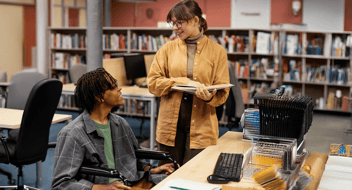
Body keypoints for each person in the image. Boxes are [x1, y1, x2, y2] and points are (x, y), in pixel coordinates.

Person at [52, 68, 175, 190]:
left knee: (177, 180)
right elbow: (61, 184)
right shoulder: (73, 133)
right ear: (99, 97)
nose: (119, 88)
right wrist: (101, 188)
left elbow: (133, 158)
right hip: (107, 187)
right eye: (113, 87)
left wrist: (152, 170)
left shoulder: (120, 123)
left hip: (131, 181)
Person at [147, 0, 230, 166]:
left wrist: (208, 98)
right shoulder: (166, 49)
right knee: (167, 174)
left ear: (195, 20)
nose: (175, 27)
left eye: (179, 23)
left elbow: (223, 92)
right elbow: (153, 83)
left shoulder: (218, 51)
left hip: (202, 126)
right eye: (172, 23)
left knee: (195, 176)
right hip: (170, 126)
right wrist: (180, 81)